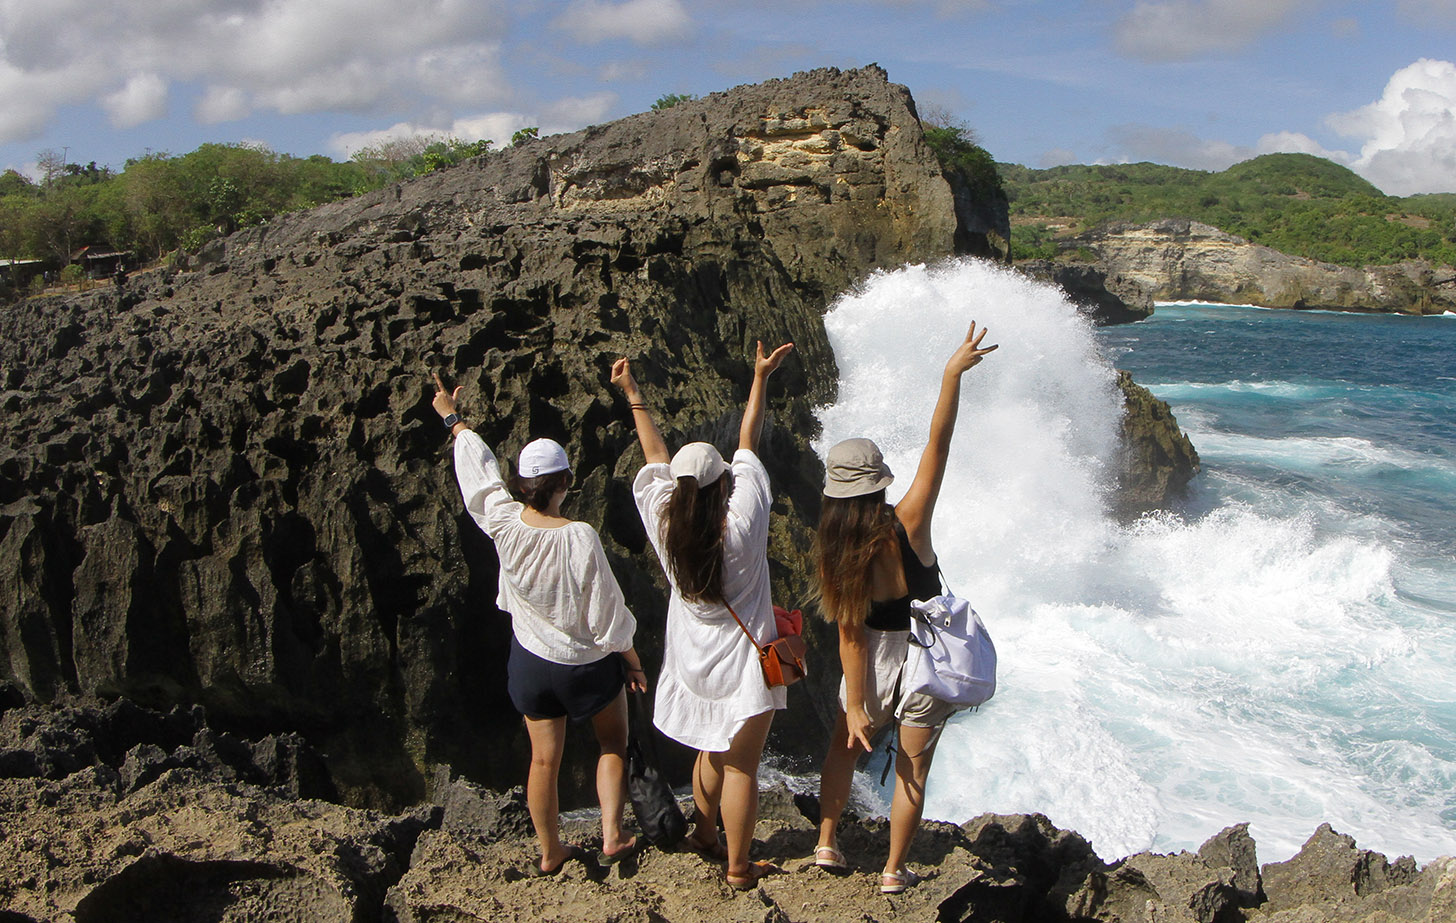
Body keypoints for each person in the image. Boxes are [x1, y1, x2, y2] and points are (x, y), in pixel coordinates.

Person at [432, 373, 647, 875]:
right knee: (612, 743)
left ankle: (551, 852)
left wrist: (453, 420)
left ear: (522, 484)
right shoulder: (578, 537)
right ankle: (613, 834)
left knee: (543, 762)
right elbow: (607, 616)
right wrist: (631, 661)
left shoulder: (503, 521)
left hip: (530, 663)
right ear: (566, 482)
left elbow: (479, 476)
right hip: (585, 667)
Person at [811, 321, 997, 894]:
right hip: (924, 659)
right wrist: (950, 375)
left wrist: (861, 701)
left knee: (845, 746)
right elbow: (938, 445)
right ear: (879, 482)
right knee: (913, 769)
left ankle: (826, 842)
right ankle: (893, 871)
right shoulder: (907, 520)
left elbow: (850, 637)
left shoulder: (835, 549)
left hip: (871, 660)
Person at [610, 341, 793, 891]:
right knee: (742, 766)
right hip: (745, 666)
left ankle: (706, 833)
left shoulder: (667, 529)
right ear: (723, 487)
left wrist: (632, 393)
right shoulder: (744, 522)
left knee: (711, 751)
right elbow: (747, 441)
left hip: (692, 663)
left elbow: (654, 460)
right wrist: (760, 378)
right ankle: (738, 868)